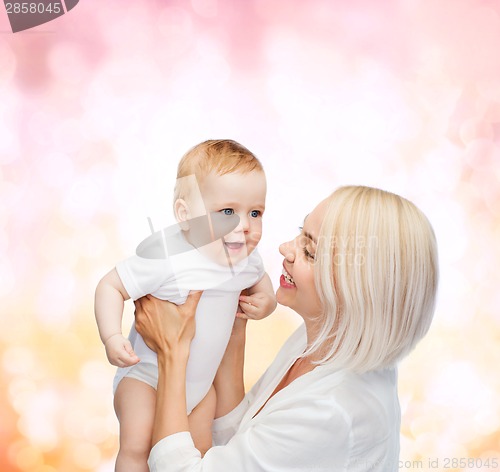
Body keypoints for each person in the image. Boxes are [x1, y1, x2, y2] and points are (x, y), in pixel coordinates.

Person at [133, 185, 439, 471]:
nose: (284, 249)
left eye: (309, 252)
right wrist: (234, 328)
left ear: (357, 290)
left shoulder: (332, 412)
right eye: (300, 234)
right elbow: (242, 440)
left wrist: (172, 352)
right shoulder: (326, 339)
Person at [94, 140, 277, 472]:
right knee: (137, 448)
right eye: (227, 212)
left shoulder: (246, 260)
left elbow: (262, 285)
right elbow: (110, 285)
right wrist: (111, 336)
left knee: (199, 453)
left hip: (200, 388)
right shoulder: (166, 259)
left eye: (255, 212)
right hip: (146, 378)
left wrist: (266, 303)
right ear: (185, 215)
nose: (245, 225)